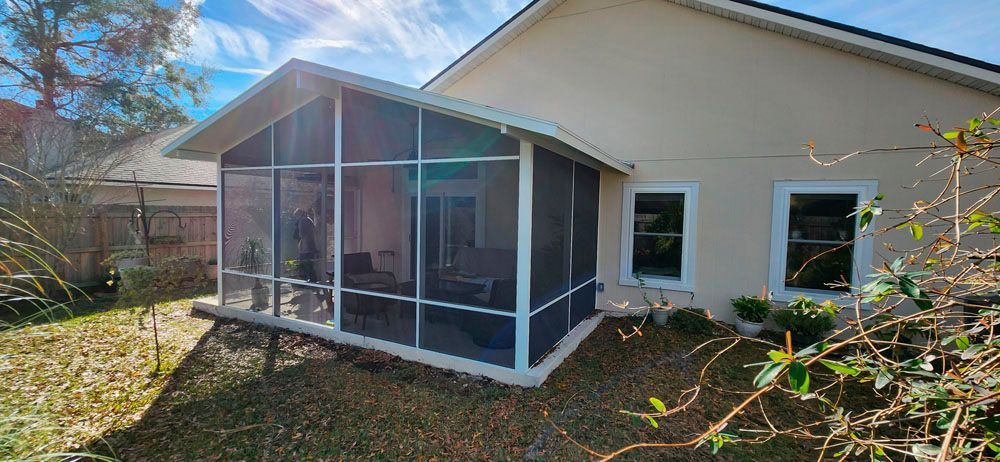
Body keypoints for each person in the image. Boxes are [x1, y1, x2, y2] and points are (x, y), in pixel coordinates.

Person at [293, 208, 319, 282]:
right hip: (309, 246)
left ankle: (309, 281)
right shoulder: (308, 220)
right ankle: (312, 280)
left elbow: (302, 234)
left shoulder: (303, 221)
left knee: (306, 264)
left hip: (306, 247)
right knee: (309, 264)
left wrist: (303, 245)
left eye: (296, 216)